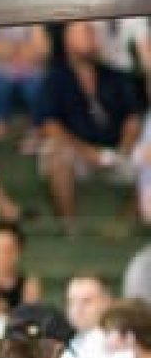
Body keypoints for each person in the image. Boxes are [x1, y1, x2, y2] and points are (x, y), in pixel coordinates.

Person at [34, 21, 144, 224]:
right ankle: (71, 227)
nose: (92, 36)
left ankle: (124, 226)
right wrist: (87, 152)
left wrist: (123, 150)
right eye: (85, 31)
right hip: (78, 155)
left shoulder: (115, 76)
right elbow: (49, 125)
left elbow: (133, 118)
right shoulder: (55, 79)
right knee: (55, 153)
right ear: (68, 39)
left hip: (117, 152)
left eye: (93, 32)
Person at [0, 221, 42, 311]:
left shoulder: (28, 285)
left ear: (18, 253)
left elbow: (31, 318)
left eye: (6, 250)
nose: (0, 256)